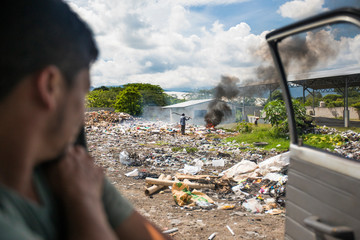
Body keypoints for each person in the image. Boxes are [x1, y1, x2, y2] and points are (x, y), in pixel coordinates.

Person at [0, 1, 171, 239]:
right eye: (83, 93)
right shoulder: (75, 184)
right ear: (51, 86)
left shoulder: (69, 169)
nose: (83, 113)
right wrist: (85, 205)